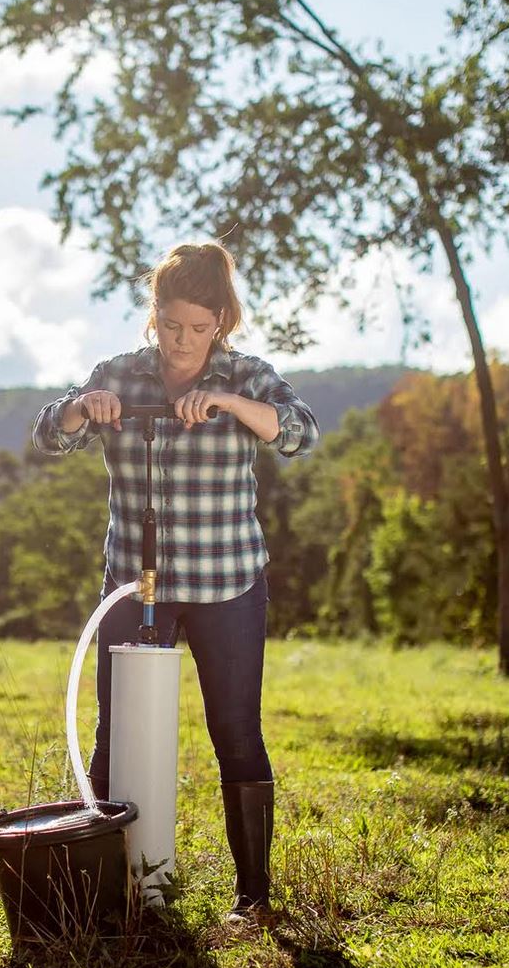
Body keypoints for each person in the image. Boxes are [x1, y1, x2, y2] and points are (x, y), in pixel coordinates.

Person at [32, 240, 320, 923]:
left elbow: (300, 433)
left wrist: (225, 402)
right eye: (171, 325)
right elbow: (49, 433)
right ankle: (109, 892)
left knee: (235, 729)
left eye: (199, 327)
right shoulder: (121, 376)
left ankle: (253, 899)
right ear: (153, 315)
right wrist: (84, 407)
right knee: (117, 731)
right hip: (135, 585)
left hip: (227, 583)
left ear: (222, 319)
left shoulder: (248, 376)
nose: (183, 341)